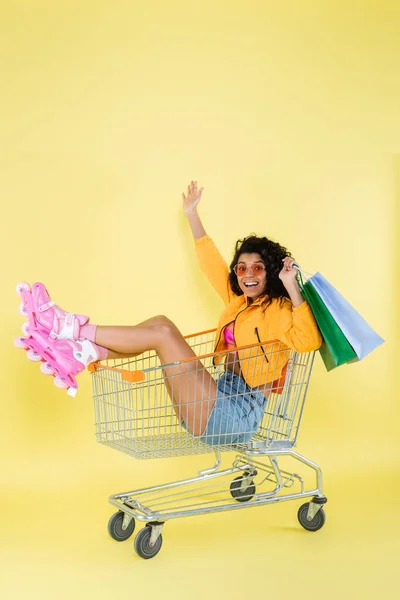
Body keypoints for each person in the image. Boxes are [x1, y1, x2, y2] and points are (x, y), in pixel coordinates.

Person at [16, 181, 322, 445]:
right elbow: (211, 262)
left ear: (269, 271)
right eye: (242, 268)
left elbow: (308, 340)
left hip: (234, 415)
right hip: (212, 399)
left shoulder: (282, 309)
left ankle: (70, 328)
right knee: (161, 323)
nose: (248, 275)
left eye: (257, 268)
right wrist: (192, 214)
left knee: (163, 335)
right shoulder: (238, 302)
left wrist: (290, 285)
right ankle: (83, 353)